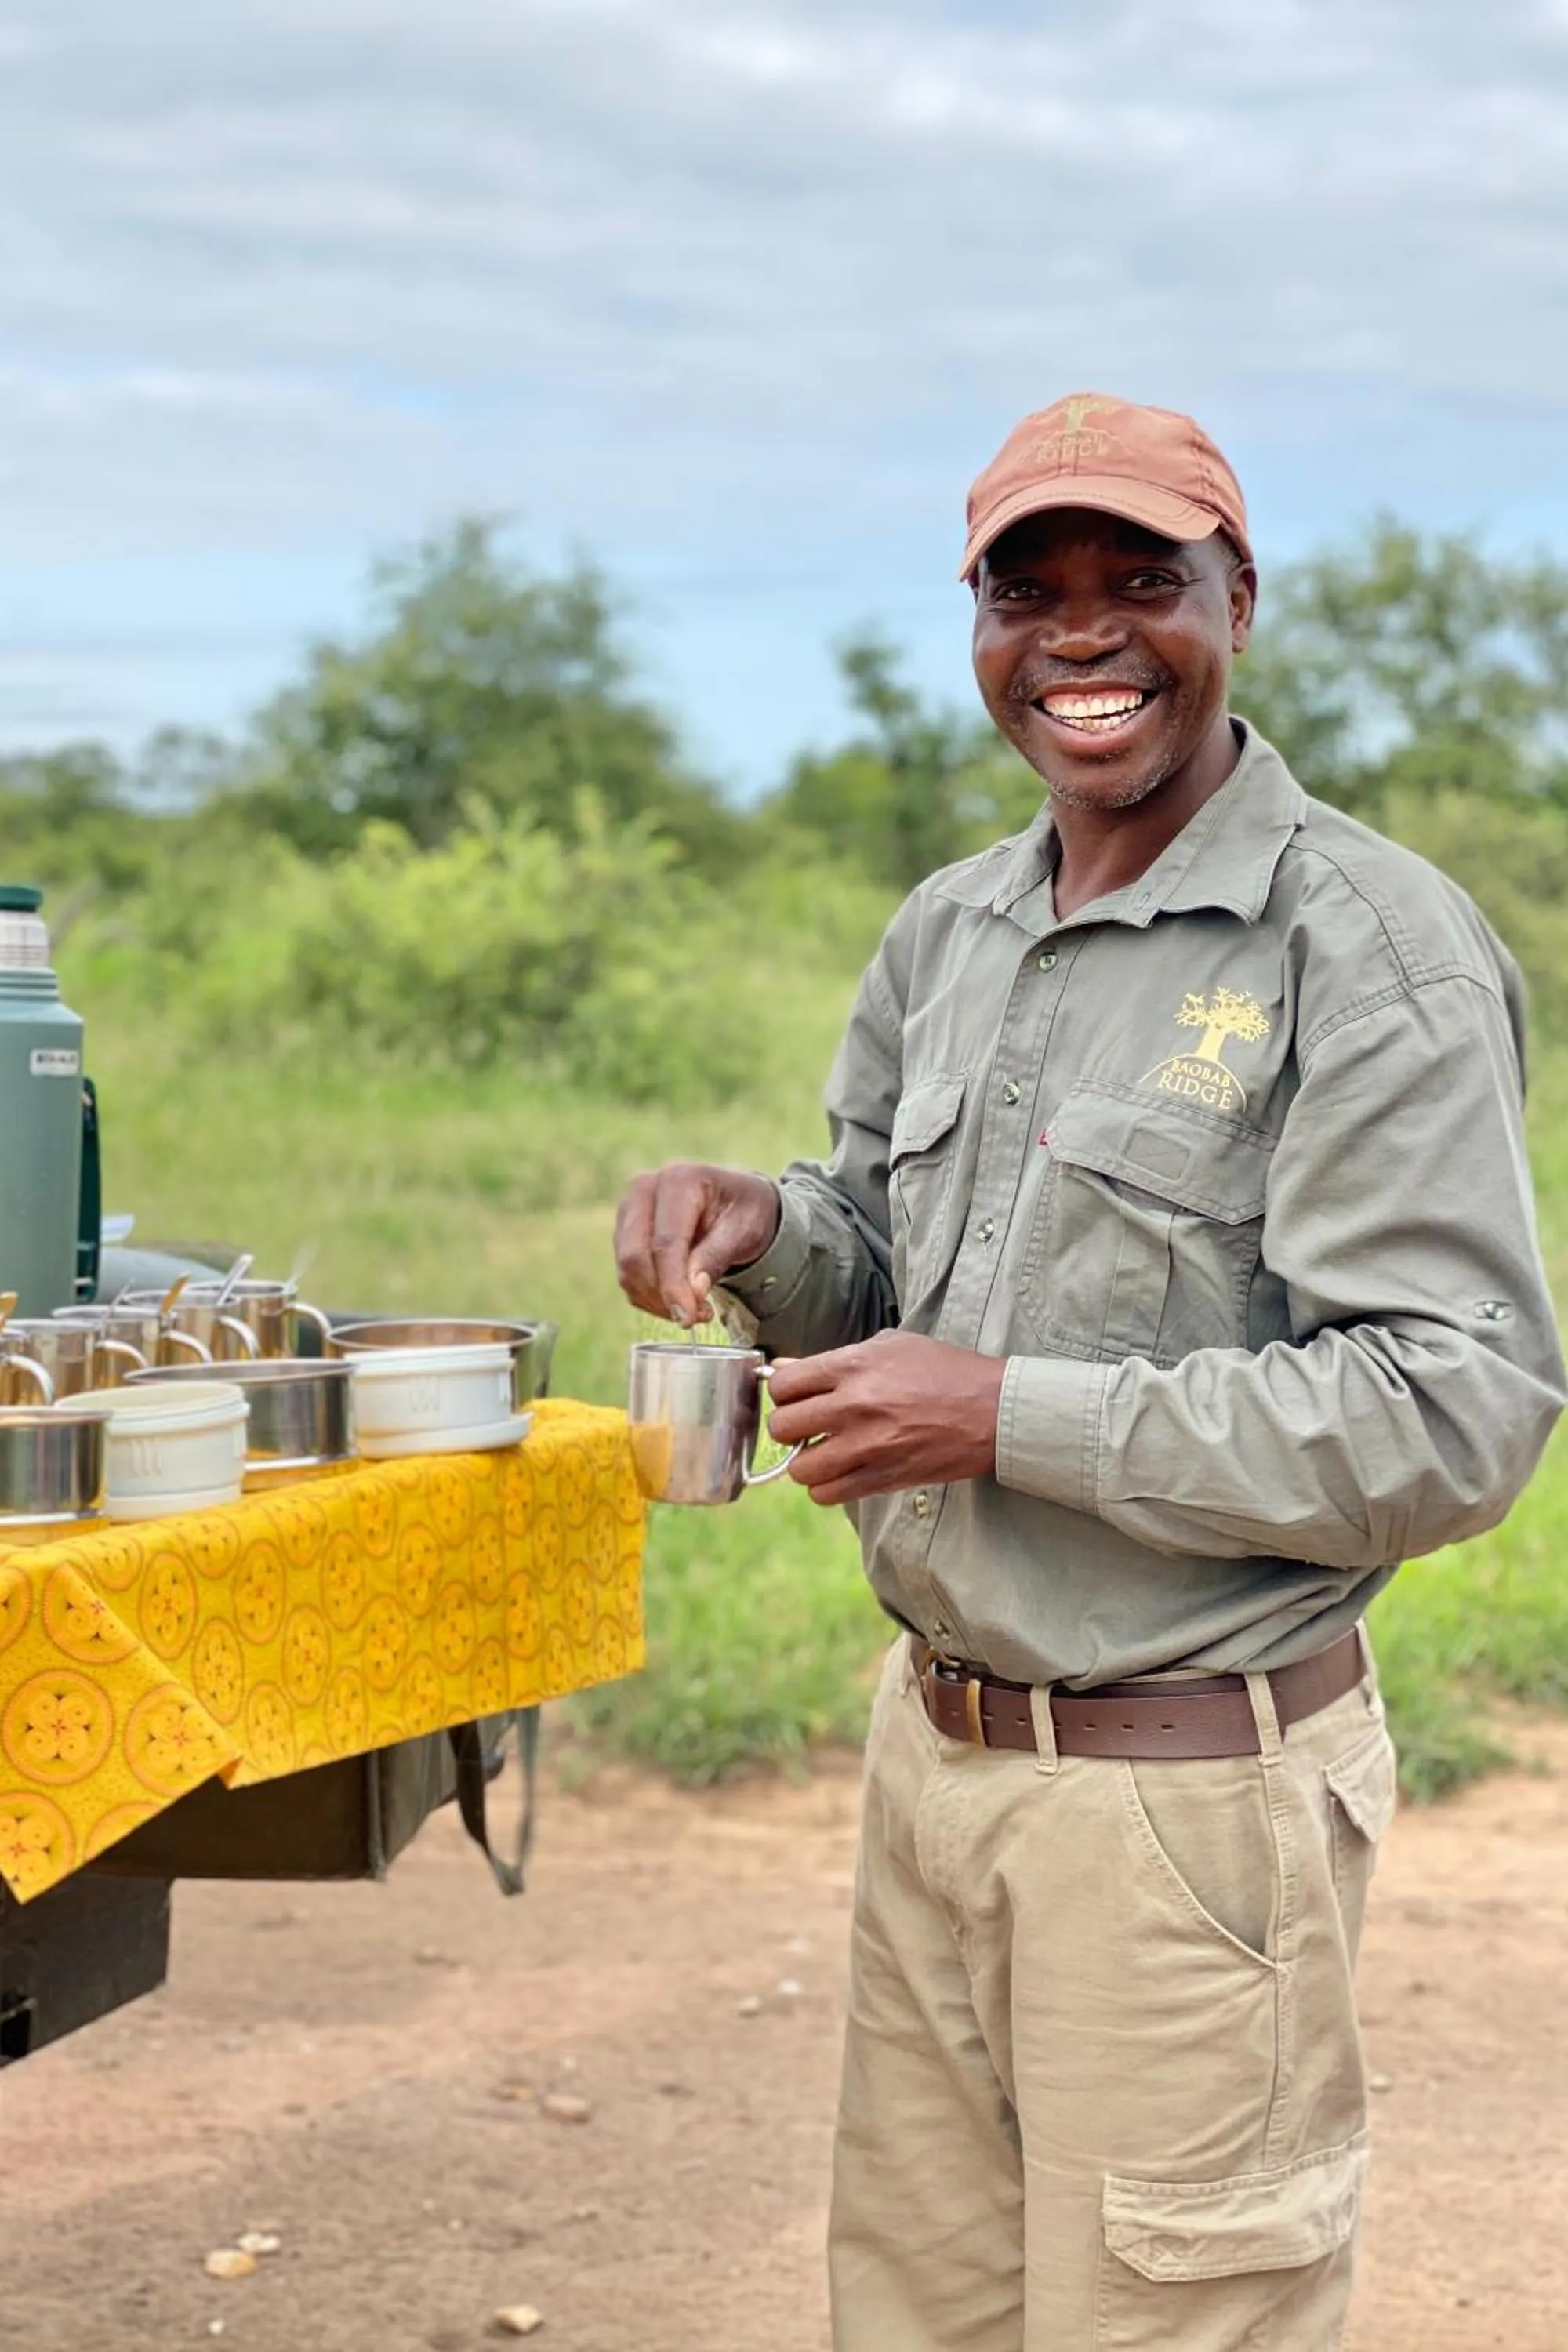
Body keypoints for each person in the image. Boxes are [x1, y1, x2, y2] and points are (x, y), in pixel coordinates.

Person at [613, 393, 1566, 2350]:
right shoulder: (952, 929)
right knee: (917, 2315)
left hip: (1183, 1809)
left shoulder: (1363, 947)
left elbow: (1453, 1410)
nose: (1081, 636)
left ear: (1239, 600)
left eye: (1143, 581)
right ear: (975, 626)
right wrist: (766, 1237)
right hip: (939, 1772)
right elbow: (883, 1248)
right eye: (1023, 590)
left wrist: (1000, 1415)